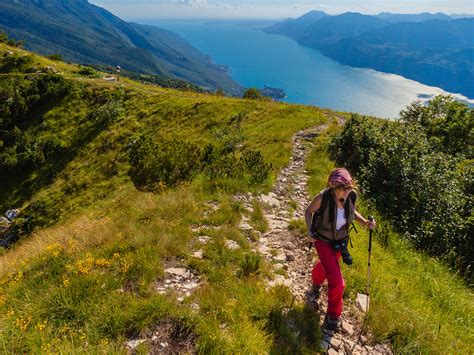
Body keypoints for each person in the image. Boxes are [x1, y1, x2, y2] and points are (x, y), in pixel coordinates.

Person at [304, 168, 375, 332]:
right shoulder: (323, 197)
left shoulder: (351, 196)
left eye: (348, 188)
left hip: (340, 242)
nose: (346, 192)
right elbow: (308, 211)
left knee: (326, 267)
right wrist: (309, 231)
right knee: (338, 283)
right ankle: (332, 318)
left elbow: (351, 212)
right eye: (342, 188)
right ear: (332, 186)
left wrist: (365, 222)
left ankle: (315, 286)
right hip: (323, 241)